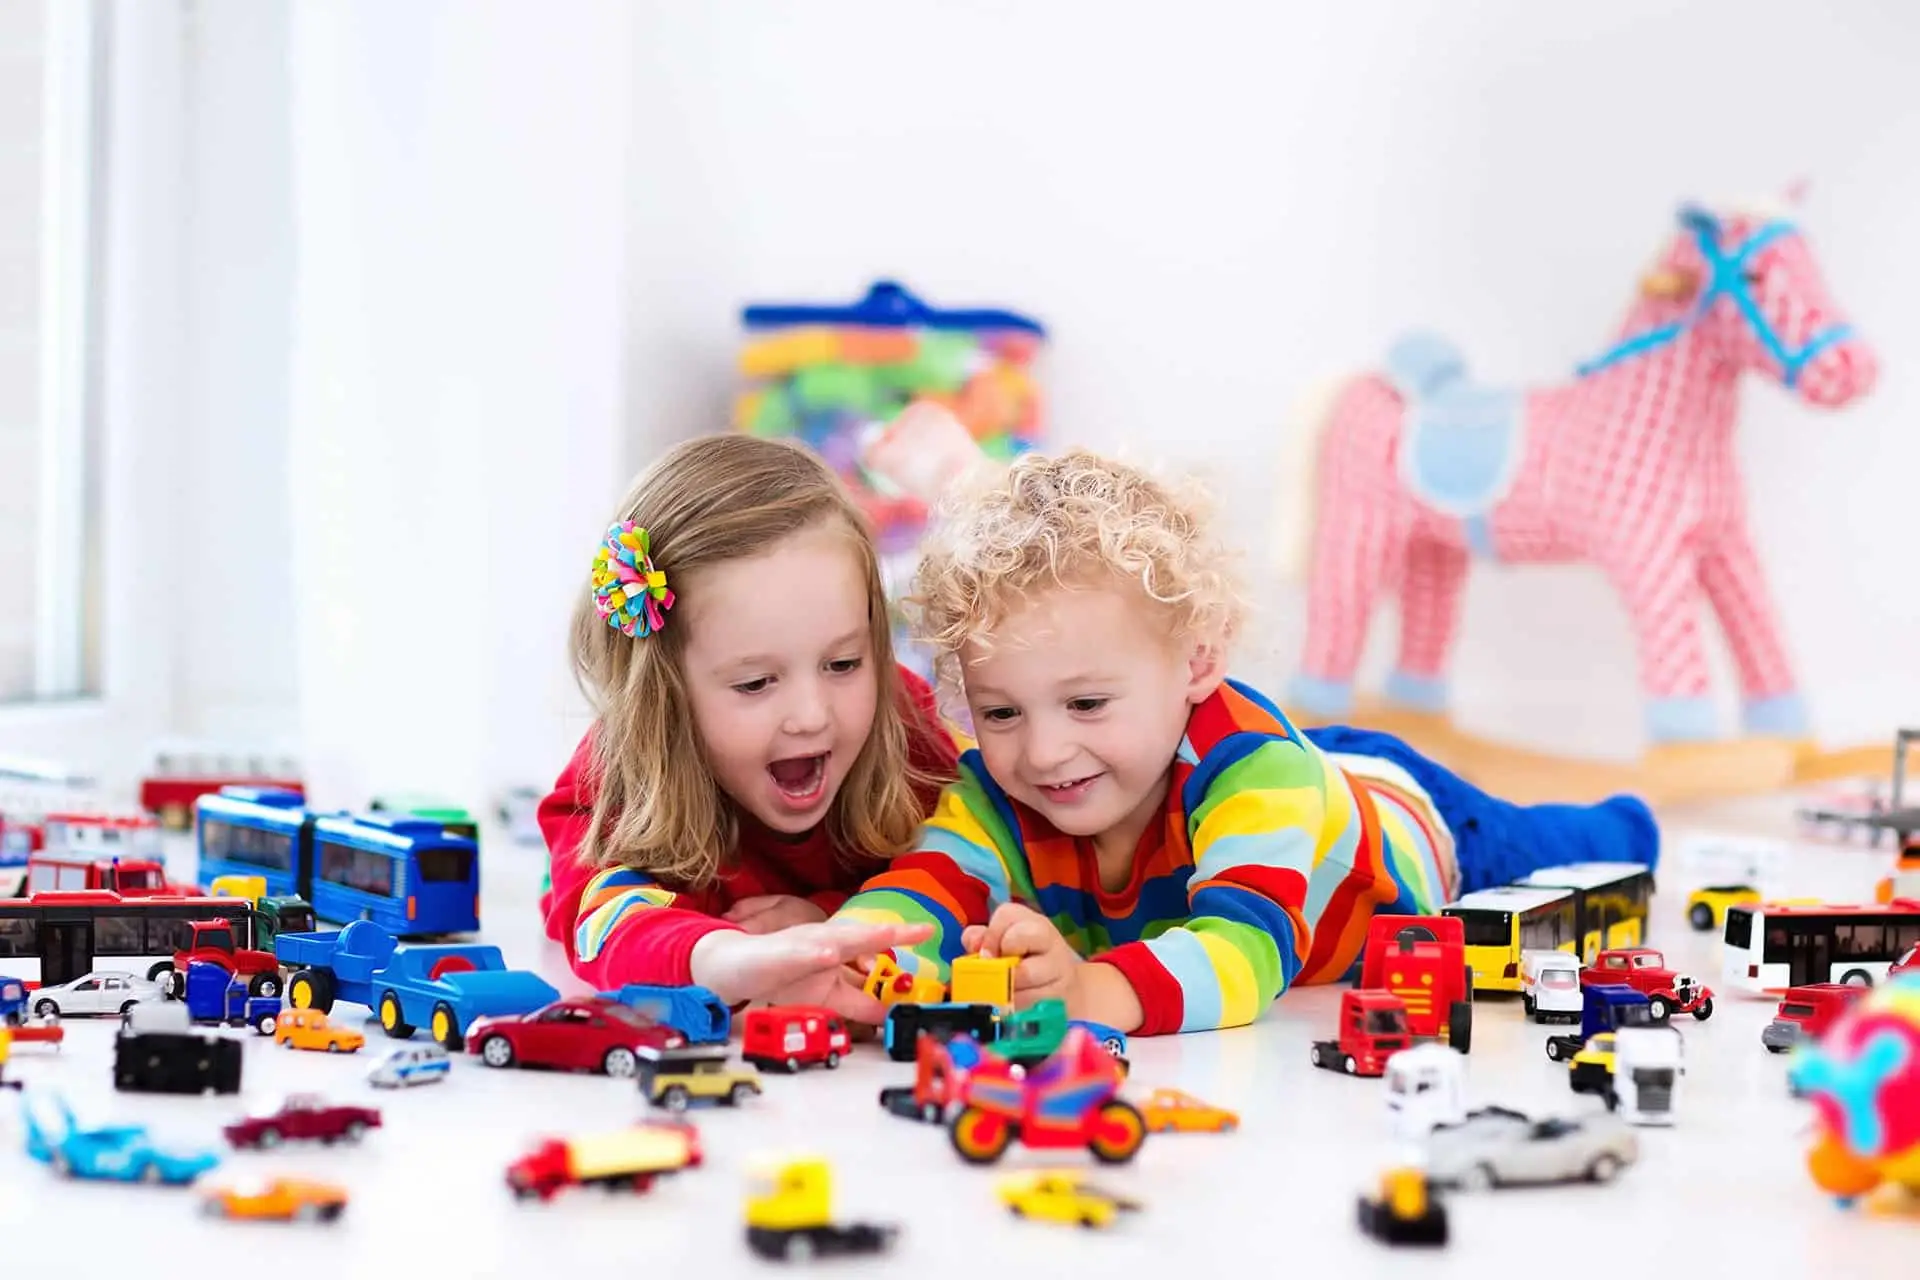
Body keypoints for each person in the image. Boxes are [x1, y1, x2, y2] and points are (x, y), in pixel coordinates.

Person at [831, 448, 1658, 1035]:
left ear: (1197, 660)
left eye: (1086, 703)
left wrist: (1090, 989)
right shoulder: (1002, 791)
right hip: (1292, 769)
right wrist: (849, 952)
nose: (1043, 753)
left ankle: (1635, 821)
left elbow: (1244, 954)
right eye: (1000, 714)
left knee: (1568, 846)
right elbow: (928, 885)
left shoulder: (1258, 774)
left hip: (1415, 823)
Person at [538, 434, 956, 1018]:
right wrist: (719, 958)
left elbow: (974, 878)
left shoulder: (910, 731)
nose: (812, 716)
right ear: (664, 689)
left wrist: (843, 917)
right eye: (756, 683)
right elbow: (606, 921)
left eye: (843, 664)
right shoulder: (617, 773)